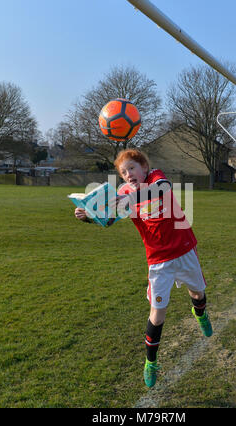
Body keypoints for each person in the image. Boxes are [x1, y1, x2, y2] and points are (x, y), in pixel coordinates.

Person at [74, 149, 212, 388]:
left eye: (132, 168)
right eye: (123, 172)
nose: (128, 174)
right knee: (158, 313)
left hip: (184, 249)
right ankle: (151, 362)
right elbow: (108, 219)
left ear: (144, 168)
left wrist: (132, 199)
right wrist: (87, 215)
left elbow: (164, 189)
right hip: (158, 260)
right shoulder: (123, 193)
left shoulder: (155, 178)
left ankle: (199, 313)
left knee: (198, 293)